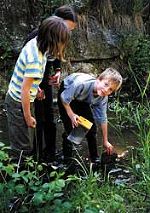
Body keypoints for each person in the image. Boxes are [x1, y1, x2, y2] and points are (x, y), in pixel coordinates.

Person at [4, 16, 70, 162]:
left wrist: (37, 89)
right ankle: (18, 179)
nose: (63, 45)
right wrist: (27, 117)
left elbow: (28, 81)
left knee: (27, 140)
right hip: (17, 103)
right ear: (54, 40)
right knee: (22, 147)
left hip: (22, 99)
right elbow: (24, 90)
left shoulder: (37, 44)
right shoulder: (36, 58)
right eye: (62, 41)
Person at [24, 5, 77, 163]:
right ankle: (37, 156)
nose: (68, 33)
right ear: (56, 21)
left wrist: (58, 70)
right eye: (67, 28)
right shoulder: (36, 36)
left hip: (46, 78)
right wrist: (36, 87)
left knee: (50, 117)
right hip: (35, 82)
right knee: (38, 119)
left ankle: (51, 152)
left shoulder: (60, 37)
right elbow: (27, 65)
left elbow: (58, 55)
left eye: (71, 30)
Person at [57, 68, 123, 165]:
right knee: (70, 127)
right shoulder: (81, 83)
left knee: (91, 128)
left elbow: (103, 118)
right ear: (98, 79)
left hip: (82, 99)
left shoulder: (103, 97)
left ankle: (94, 158)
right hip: (67, 93)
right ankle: (67, 160)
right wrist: (71, 115)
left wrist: (105, 140)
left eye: (110, 90)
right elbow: (64, 98)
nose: (106, 90)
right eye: (105, 84)